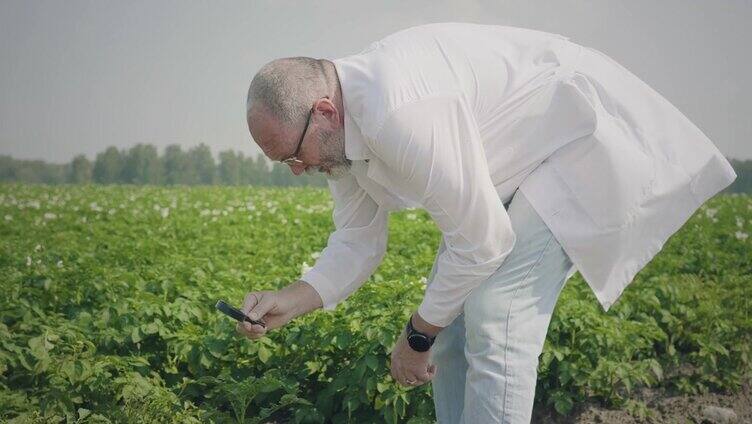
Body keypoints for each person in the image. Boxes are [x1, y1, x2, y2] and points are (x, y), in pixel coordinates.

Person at [240, 23, 736, 423]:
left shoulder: (397, 110)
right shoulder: (337, 139)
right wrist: (290, 299)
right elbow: (357, 240)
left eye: (293, 155)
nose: (299, 170)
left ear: (323, 111)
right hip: (520, 166)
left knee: (499, 311)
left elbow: (482, 242)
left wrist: (415, 338)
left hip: (581, 141)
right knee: (449, 327)